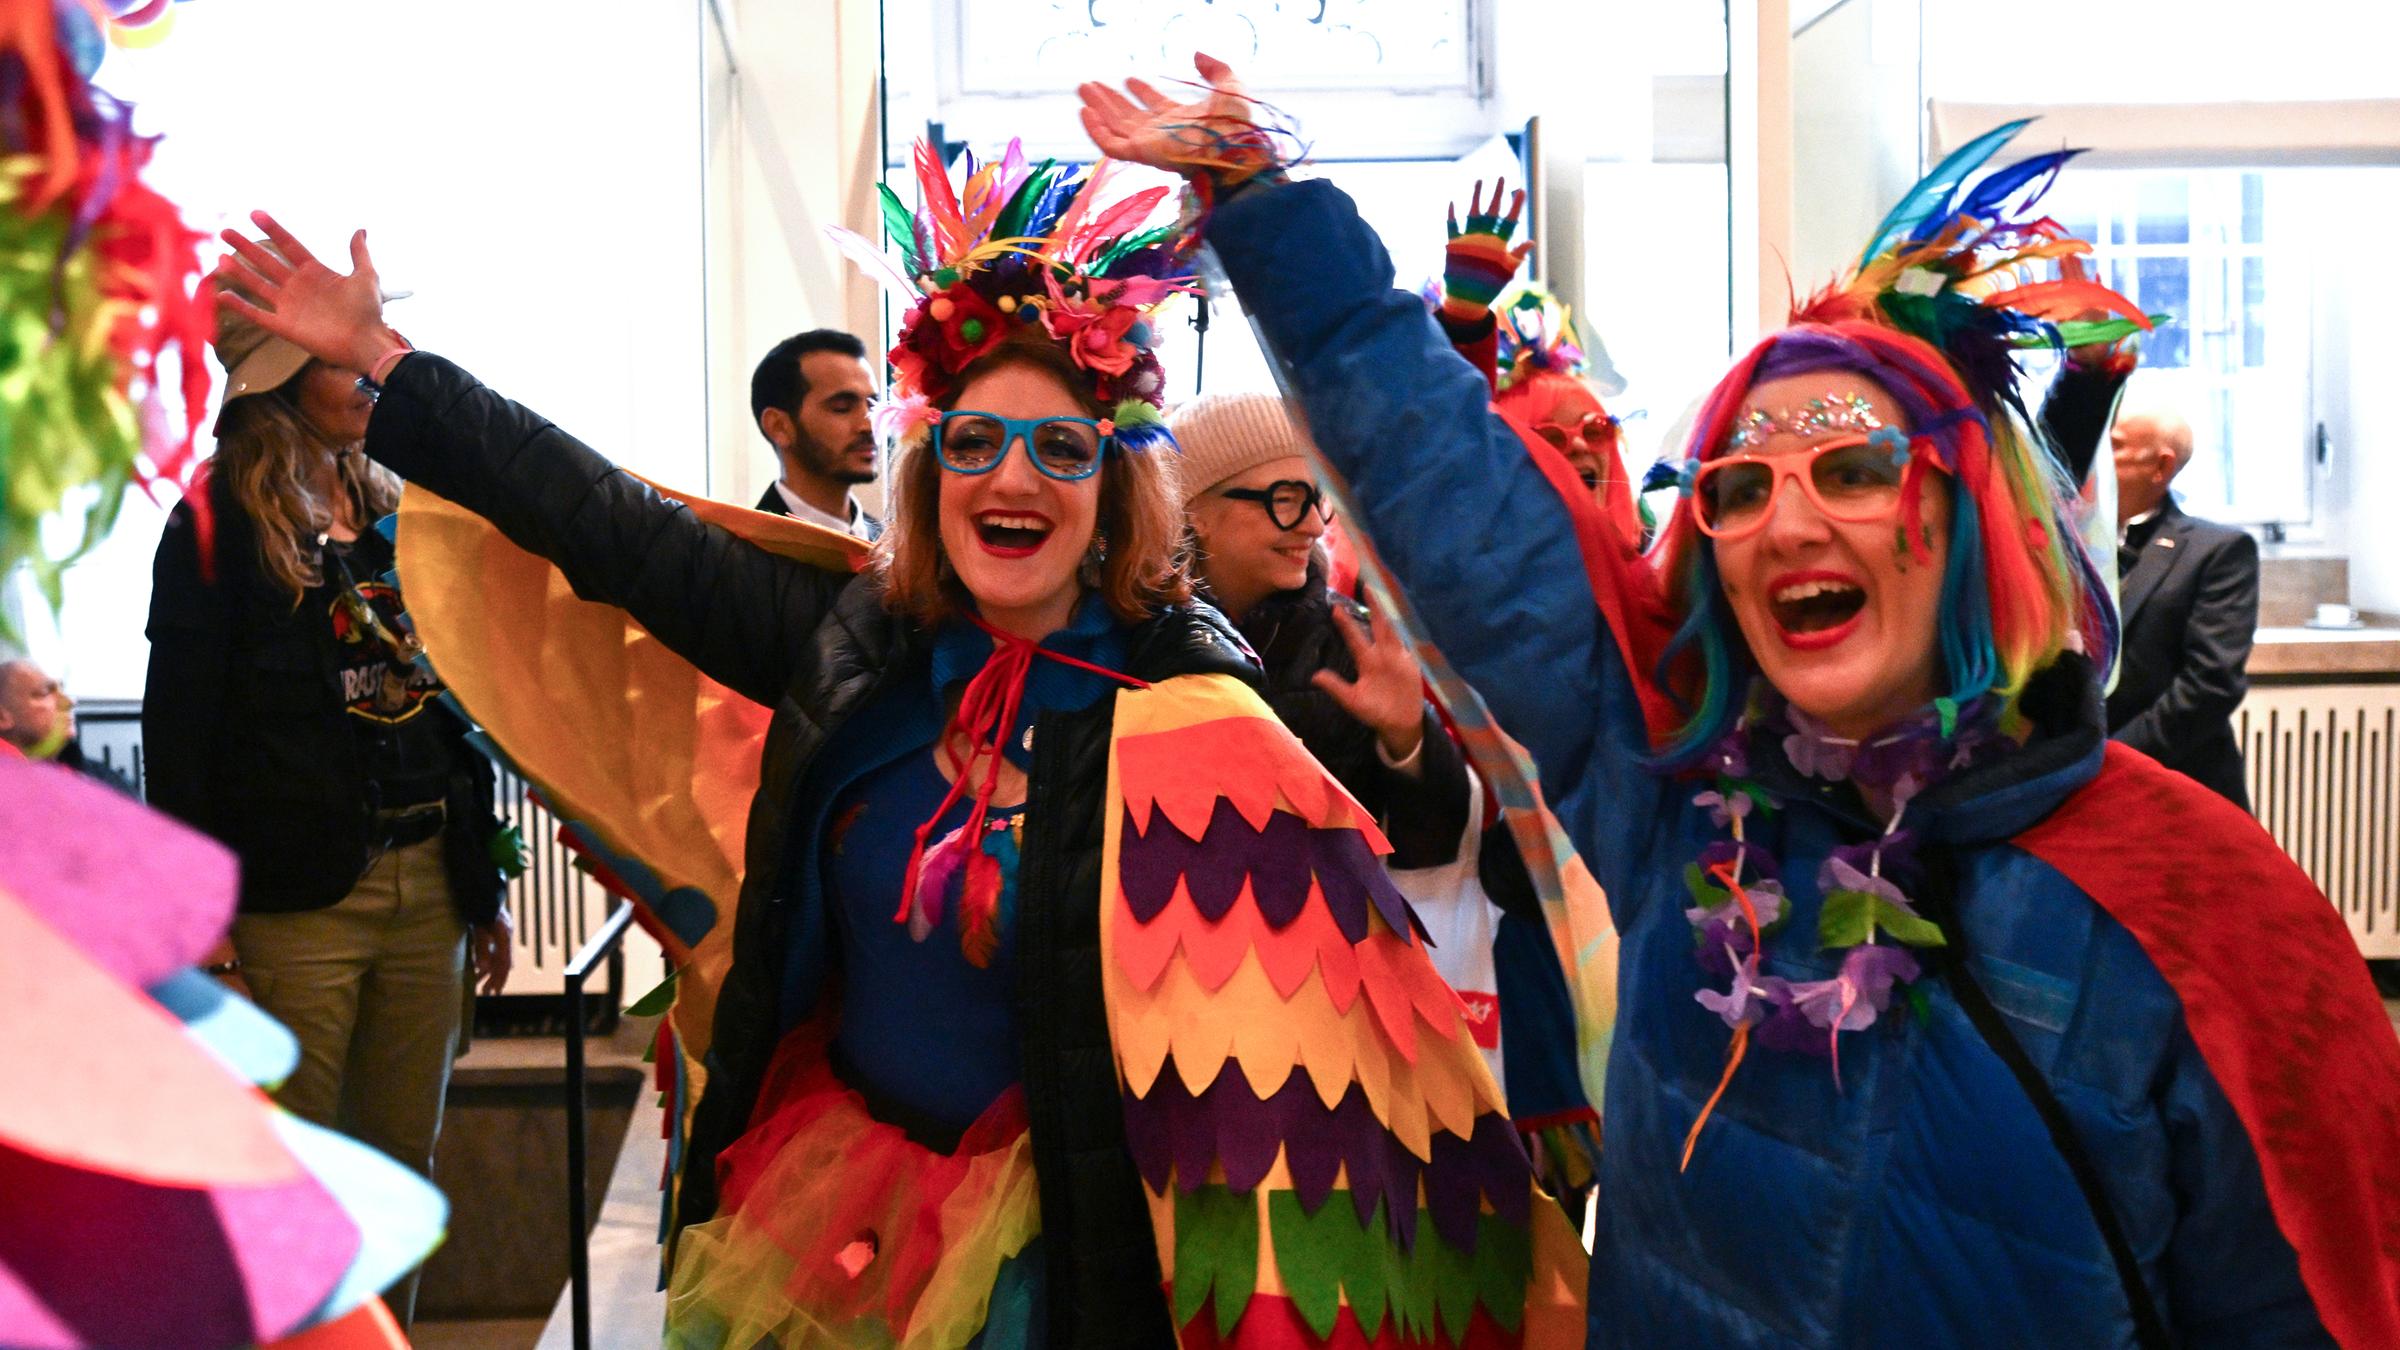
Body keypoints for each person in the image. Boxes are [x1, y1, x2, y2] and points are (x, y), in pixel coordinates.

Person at [1084, 63, 2400, 1347]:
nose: (1791, 516)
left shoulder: (2199, 896)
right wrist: (1266, 210)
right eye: (1741, 485)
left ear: (1959, 520)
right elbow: (1462, 501)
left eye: (1853, 466)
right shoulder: (1680, 800)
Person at [214, 139, 1582, 1347]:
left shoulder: (1190, 698)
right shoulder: (856, 637)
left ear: (1115, 487)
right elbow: (604, 524)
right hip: (836, 1202)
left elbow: (1332, 990)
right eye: (977, 440)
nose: (1012, 478)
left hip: (1077, 1252)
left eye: (1061, 449)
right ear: (930, 470)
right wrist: (389, 366)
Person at [141, 297, 515, 1327]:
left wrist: (483, 885)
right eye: (340, 364)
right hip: (296, 904)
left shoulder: (398, 508)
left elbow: (449, 710)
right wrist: (207, 942)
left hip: (426, 884)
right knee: (298, 1185)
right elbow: (179, 742)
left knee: (404, 1176)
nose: (367, 379)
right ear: (275, 382)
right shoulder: (214, 526)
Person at [1171, 390, 1470, 867]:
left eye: (1316, 498)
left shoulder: (1349, 641)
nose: (1312, 525)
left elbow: (1432, 845)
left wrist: (1407, 735)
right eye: (1284, 499)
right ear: (1194, 512)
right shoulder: (1130, 633)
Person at [2091, 406, 2260, 806]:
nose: (2095, 459)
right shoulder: (2066, 541)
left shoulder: (2218, 551)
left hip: (2177, 784)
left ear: (2161, 467)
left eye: (2112, 447)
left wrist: (2112, 762)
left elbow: (2210, 685)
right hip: (2075, 784)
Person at [749, 327, 883, 537]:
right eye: (842, 407)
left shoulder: (894, 548)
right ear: (779, 426)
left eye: (873, 406)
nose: (868, 426)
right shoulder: (739, 555)